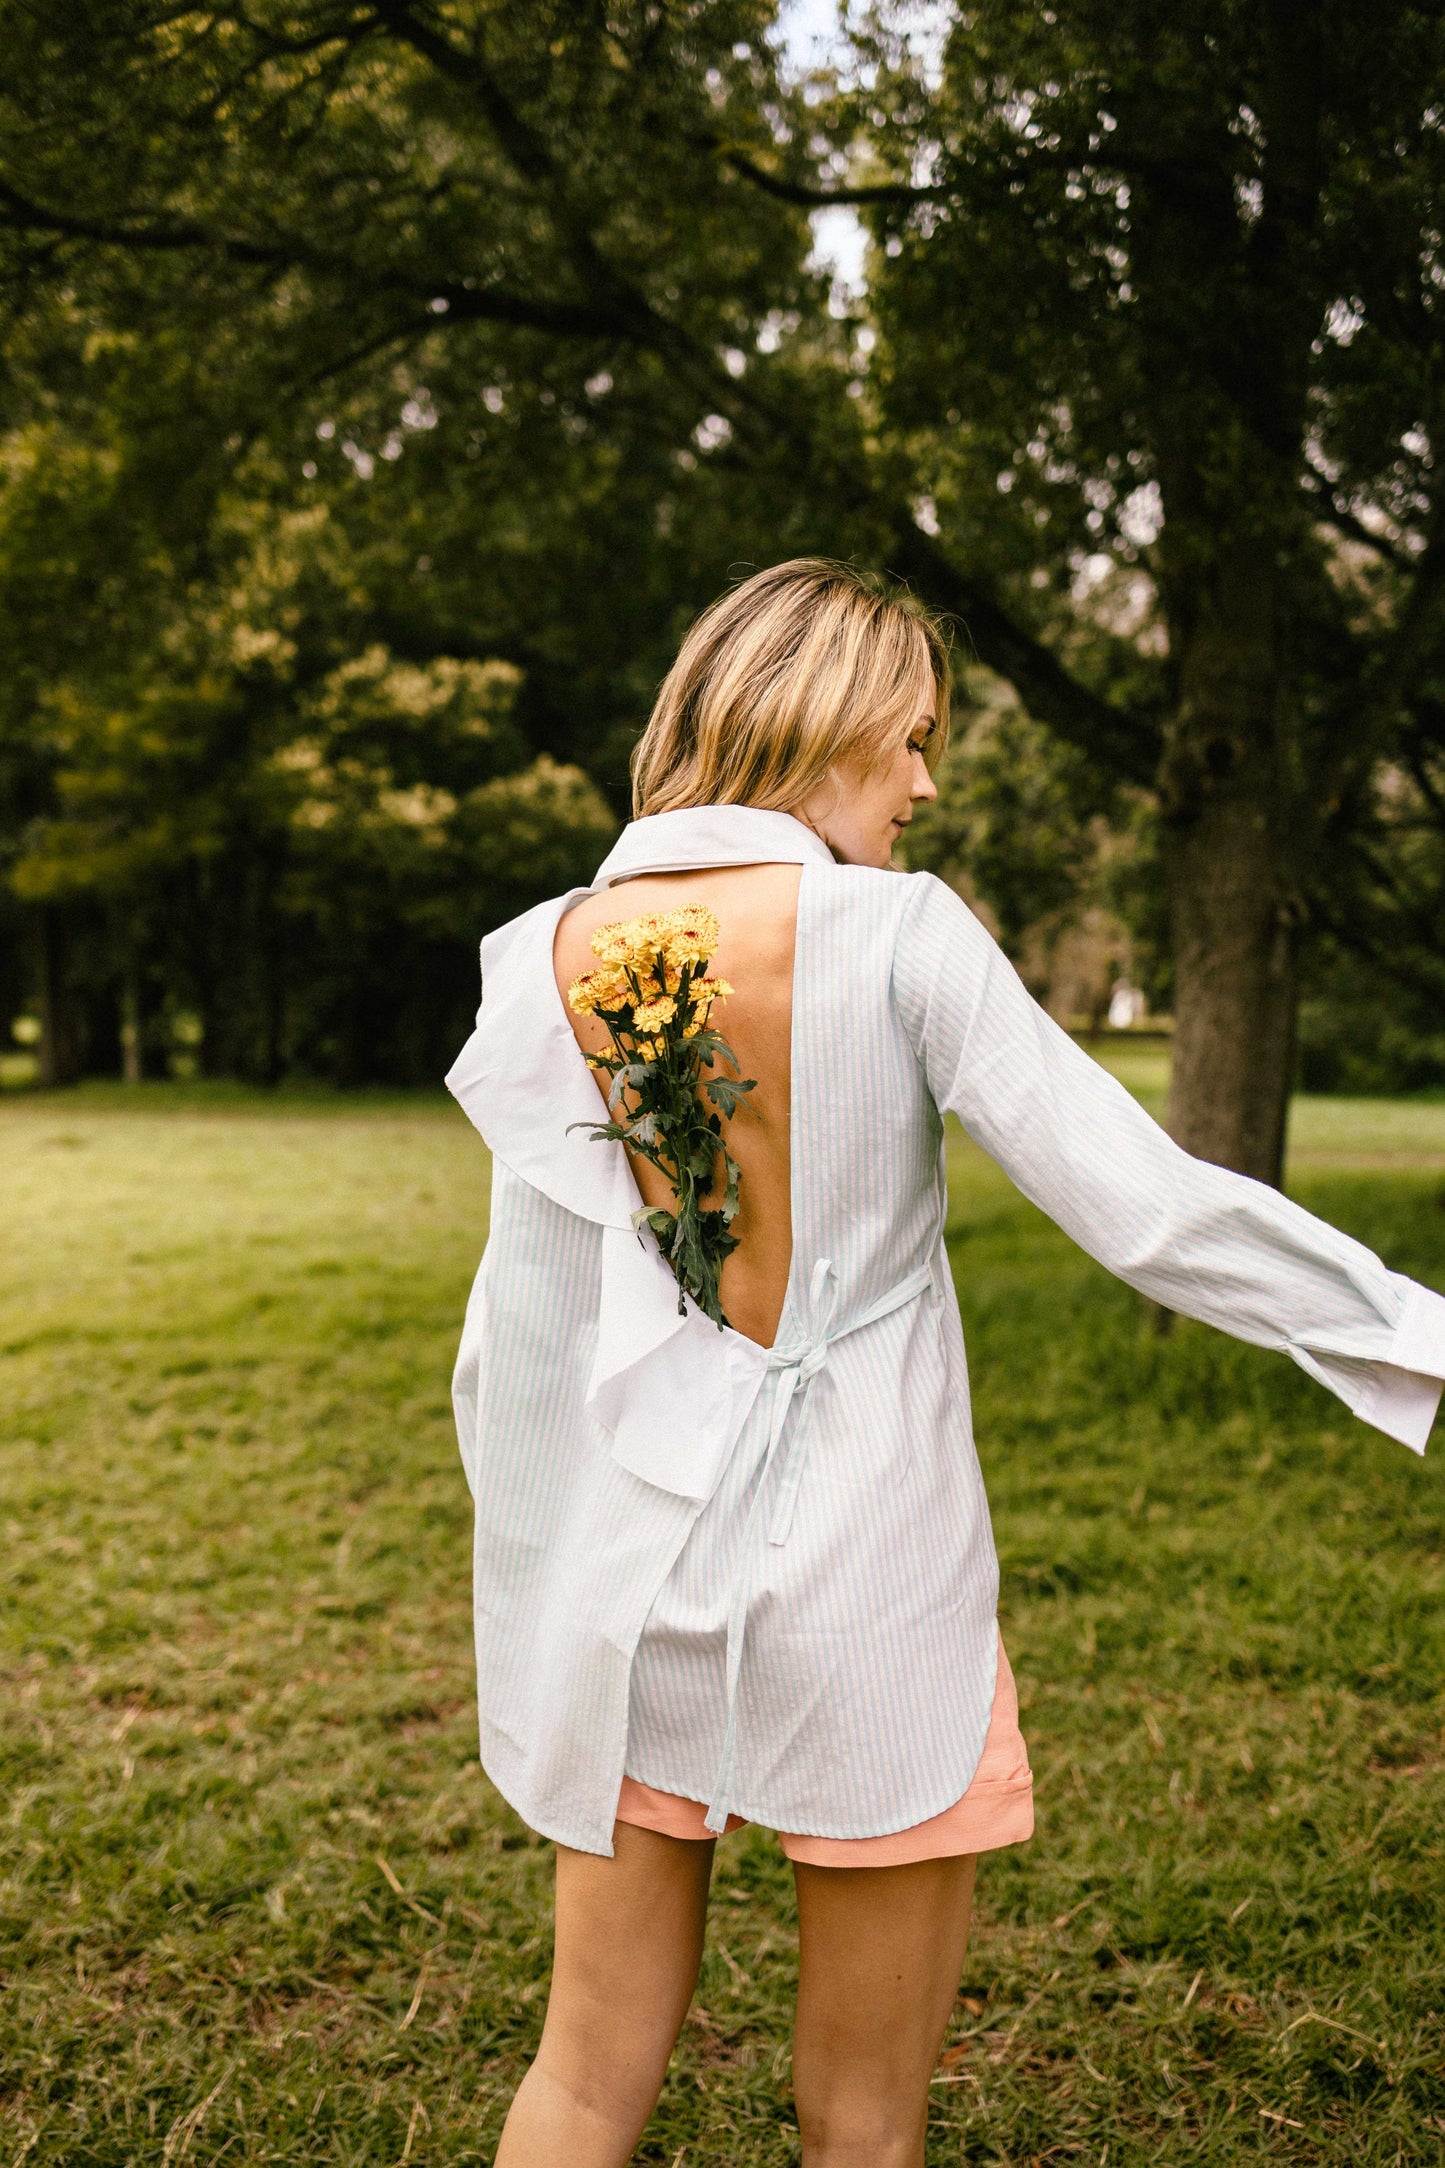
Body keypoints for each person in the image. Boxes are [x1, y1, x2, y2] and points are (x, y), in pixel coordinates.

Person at [445, 559, 1444, 2168]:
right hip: (871, 1574)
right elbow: (1150, 1212)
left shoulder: (547, 955)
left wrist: (550, 1573)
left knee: (578, 2080)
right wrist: (1413, 1331)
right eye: (905, 741)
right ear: (812, 722)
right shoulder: (900, 935)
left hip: (628, 1583)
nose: (921, 784)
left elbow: (518, 1334)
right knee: (859, 2121)